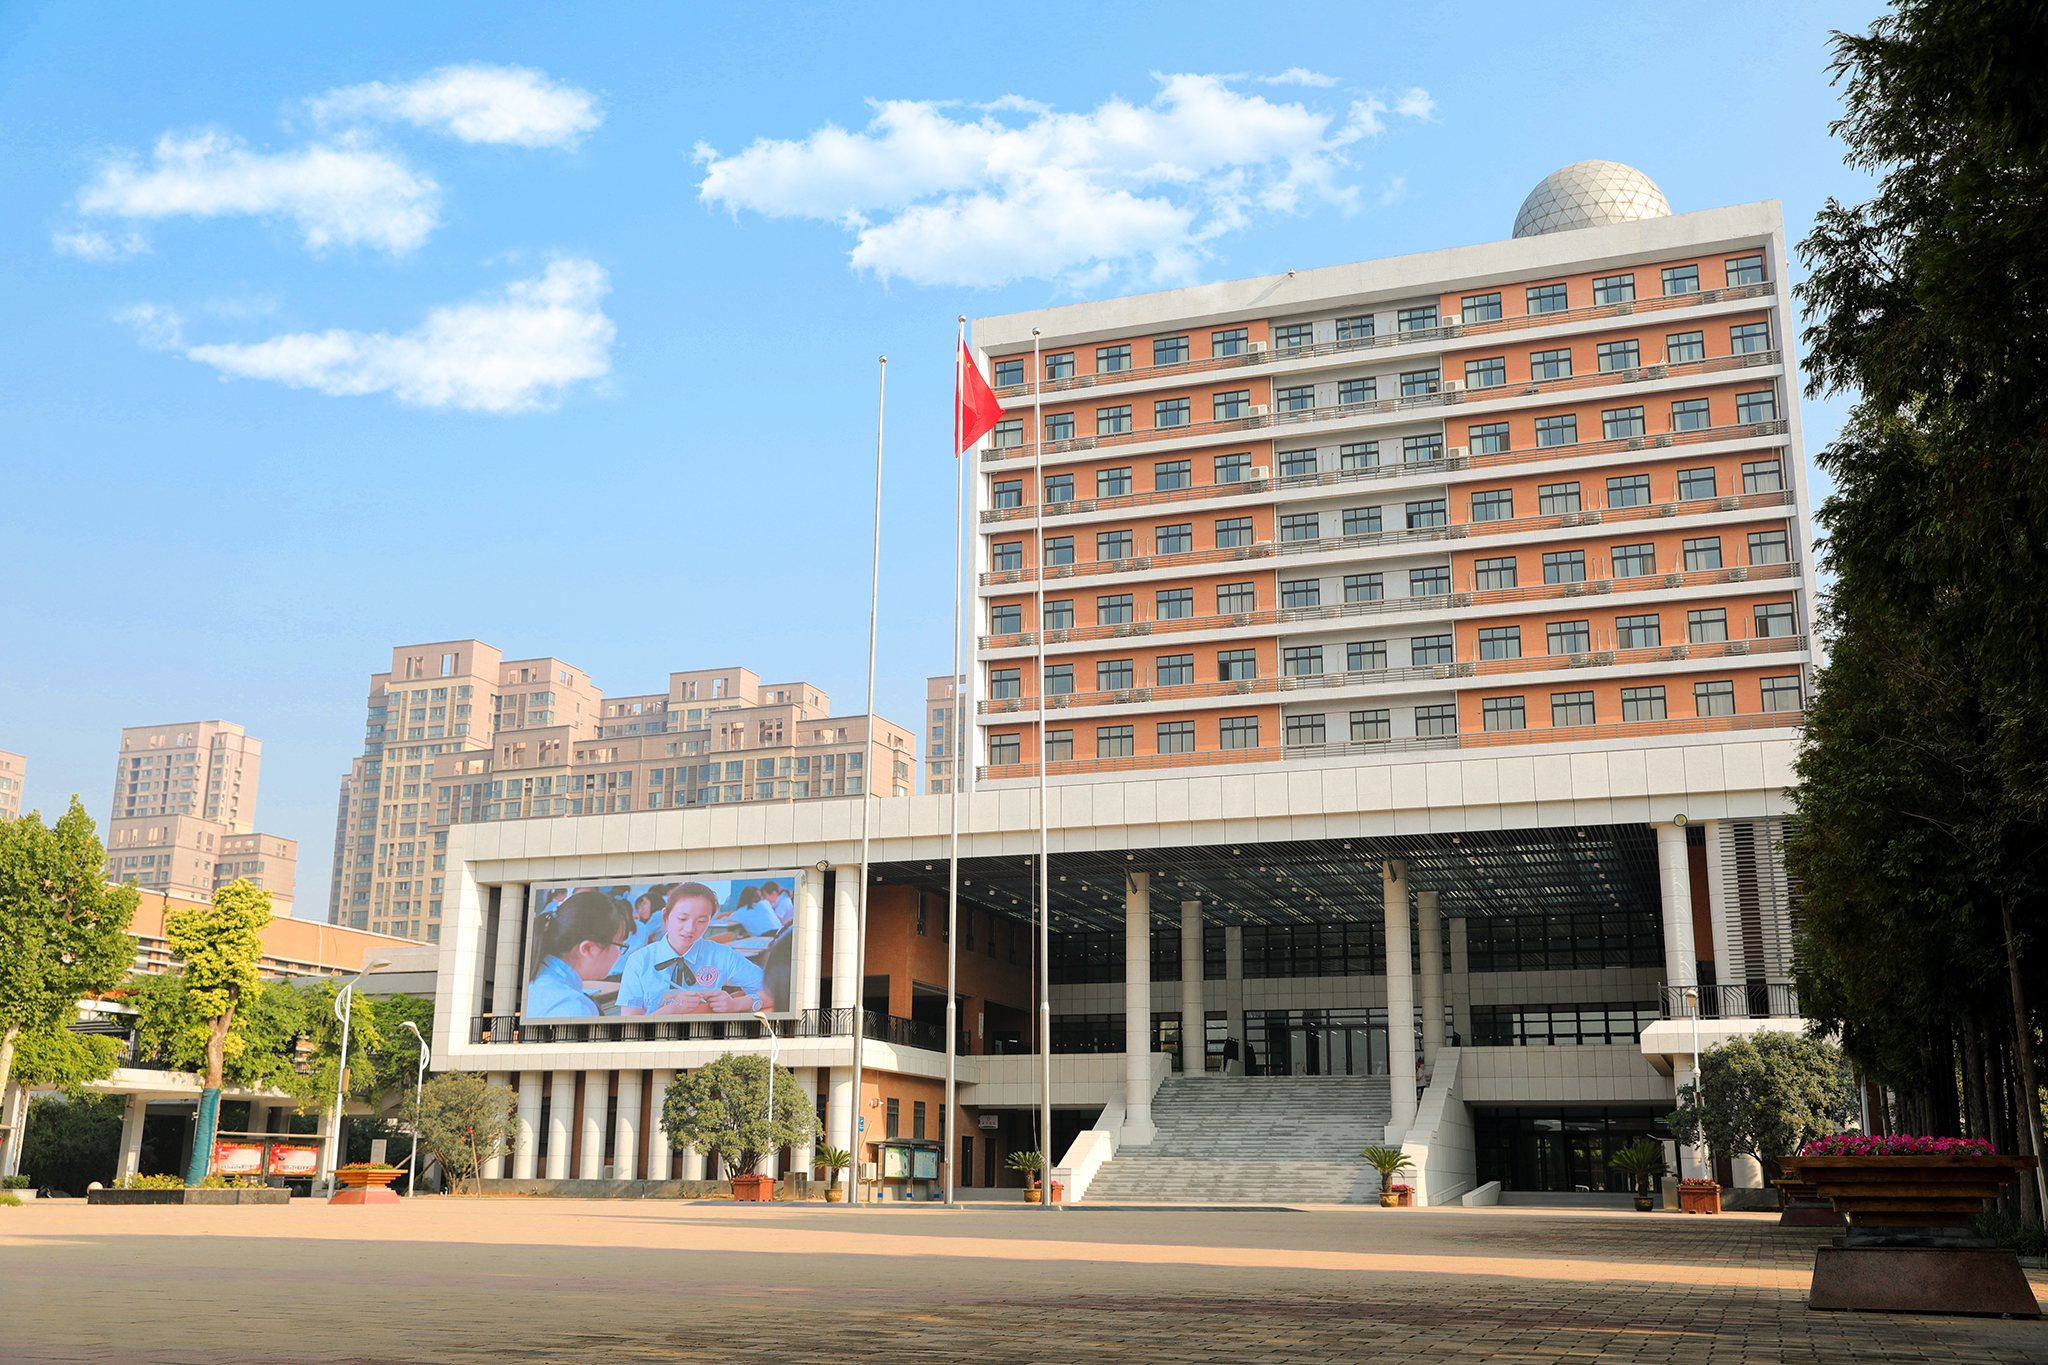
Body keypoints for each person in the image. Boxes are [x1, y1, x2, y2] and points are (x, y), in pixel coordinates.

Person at [617, 882, 768, 1015]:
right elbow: (630, 1024)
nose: (690, 929)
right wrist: (672, 1010)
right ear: (666, 916)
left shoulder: (721, 955)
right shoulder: (640, 961)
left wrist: (736, 1004)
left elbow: (774, 989)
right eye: (682, 919)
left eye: (702, 921)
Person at [524, 890, 633, 1019]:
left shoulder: (539, 975)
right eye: (620, 945)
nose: (619, 954)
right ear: (588, 948)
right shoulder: (572, 1008)